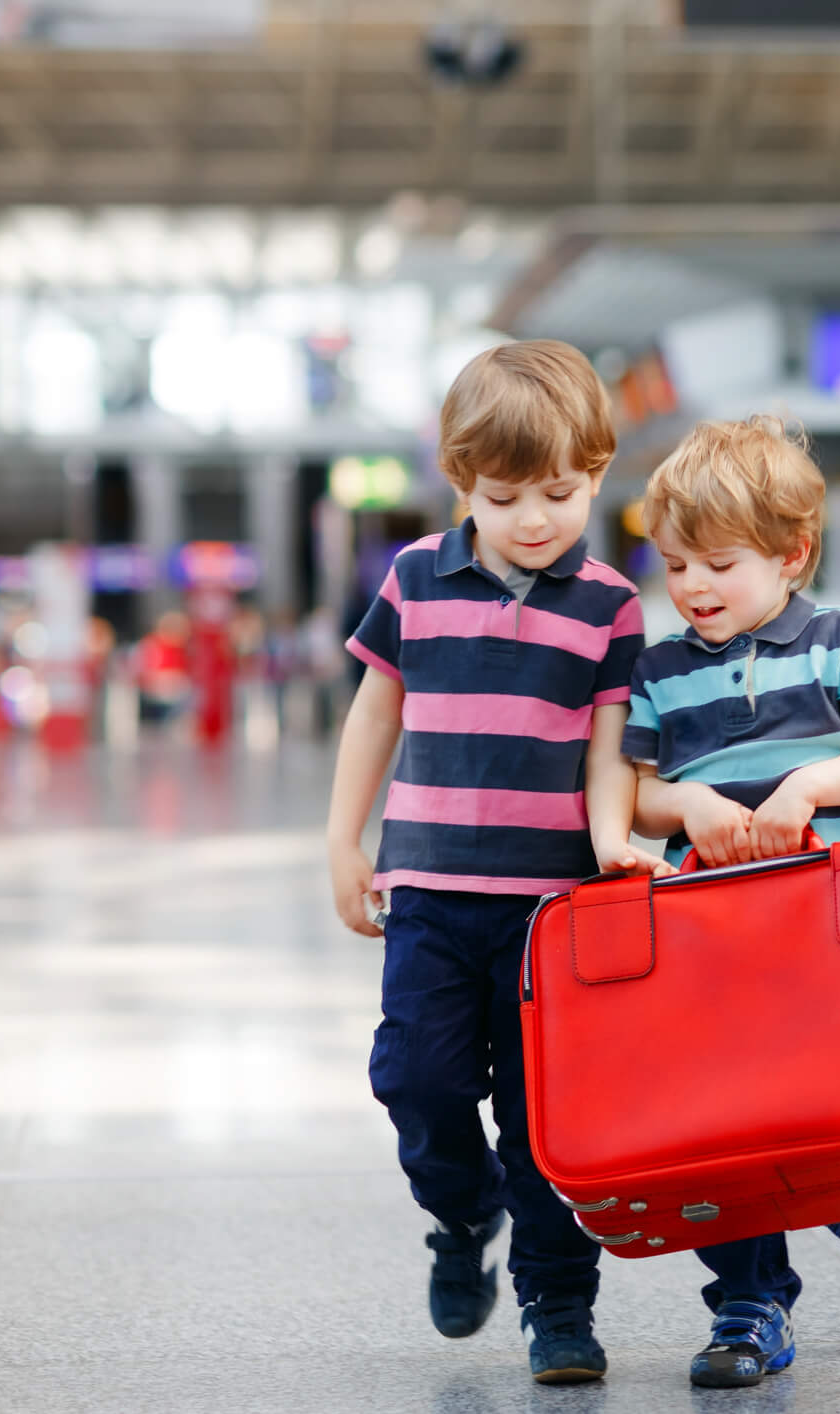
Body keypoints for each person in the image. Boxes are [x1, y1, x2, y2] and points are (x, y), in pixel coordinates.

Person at [324, 340, 671, 1386]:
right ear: (459, 480)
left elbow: (613, 739)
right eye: (504, 494)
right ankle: (462, 1210)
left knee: (546, 1122)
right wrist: (344, 839)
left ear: (599, 475)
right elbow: (376, 706)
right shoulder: (416, 578)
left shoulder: (609, 603)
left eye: (559, 493)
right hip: (429, 890)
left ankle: (559, 1307)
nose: (533, 518)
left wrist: (616, 846)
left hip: (553, 911)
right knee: (416, 1078)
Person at [623, 416, 840, 1390]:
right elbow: (632, 788)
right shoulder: (663, 670)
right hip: (711, 941)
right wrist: (689, 803)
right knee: (726, 1129)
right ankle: (749, 1301)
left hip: (829, 935)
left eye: (719, 562)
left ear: (792, 554)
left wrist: (808, 784)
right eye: (675, 565)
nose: (694, 587)